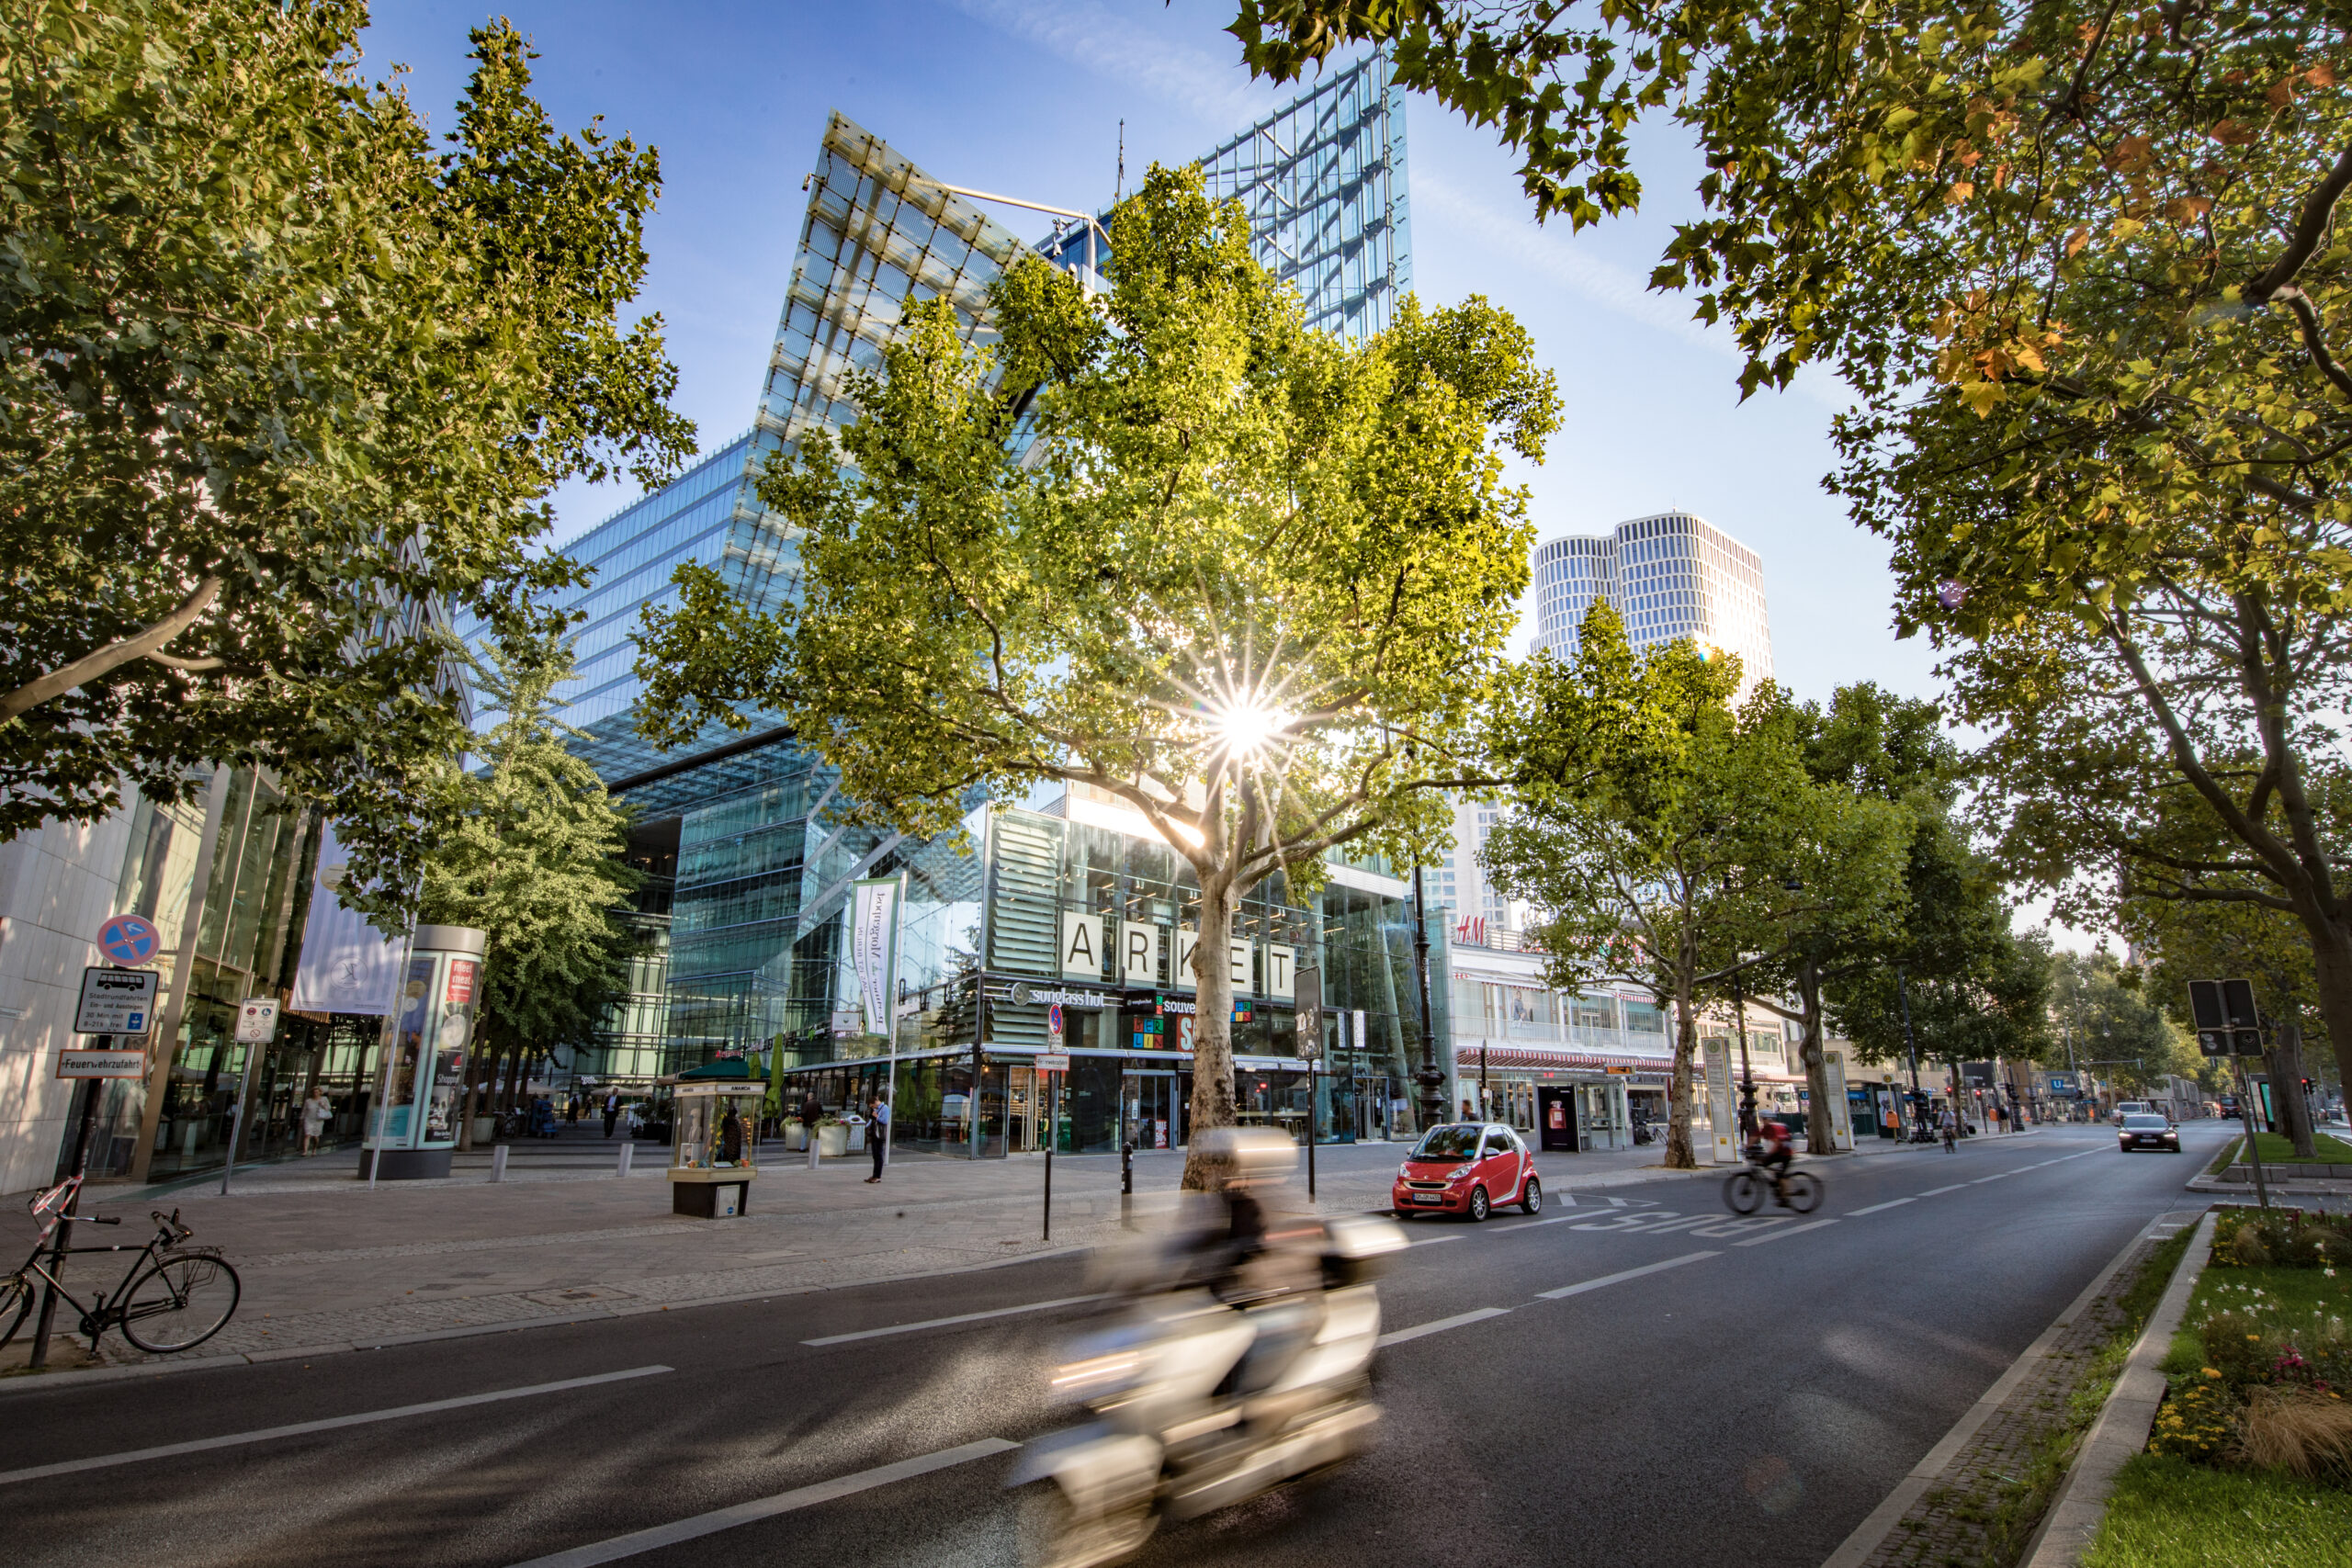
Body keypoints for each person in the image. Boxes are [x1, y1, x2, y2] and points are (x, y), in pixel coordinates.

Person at [1752, 1116, 1794, 1201]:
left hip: (1786, 1153)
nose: (1763, 1121)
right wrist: (1747, 1146)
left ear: (1770, 1120)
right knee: (1766, 1164)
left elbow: (1777, 1144)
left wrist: (1768, 1154)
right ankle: (1776, 1183)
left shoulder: (1774, 1128)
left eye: (1765, 1119)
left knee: (1780, 1174)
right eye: (1762, 1119)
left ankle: (1785, 1197)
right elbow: (1754, 1136)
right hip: (1779, 1151)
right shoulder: (1765, 1128)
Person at [299, 1087, 333, 1156]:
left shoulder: (324, 1099)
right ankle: (305, 1151)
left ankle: (314, 1149)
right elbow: (304, 1110)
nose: (315, 1093)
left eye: (317, 1092)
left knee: (315, 1137)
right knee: (307, 1135)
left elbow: (329, 1108)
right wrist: (301, 1119)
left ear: (320, 1092)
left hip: (318, 1120)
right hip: (309, 1119)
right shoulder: (308, 1101)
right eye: (314, 1092)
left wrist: (322, 1105)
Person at [865, 1092, 890, 1182]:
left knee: (879, 1155)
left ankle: (877, 1176)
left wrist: (877, 1116)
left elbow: (885, 1121)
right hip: (874, 1134)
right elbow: (871, 1120)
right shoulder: (876, 1109)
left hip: (879, 1134)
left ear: (875, 1102)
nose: (872, 1108)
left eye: (872, 1106)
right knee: (875, 1155)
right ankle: (874, 1175)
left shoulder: (885, 1108)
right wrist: (866, 1127)